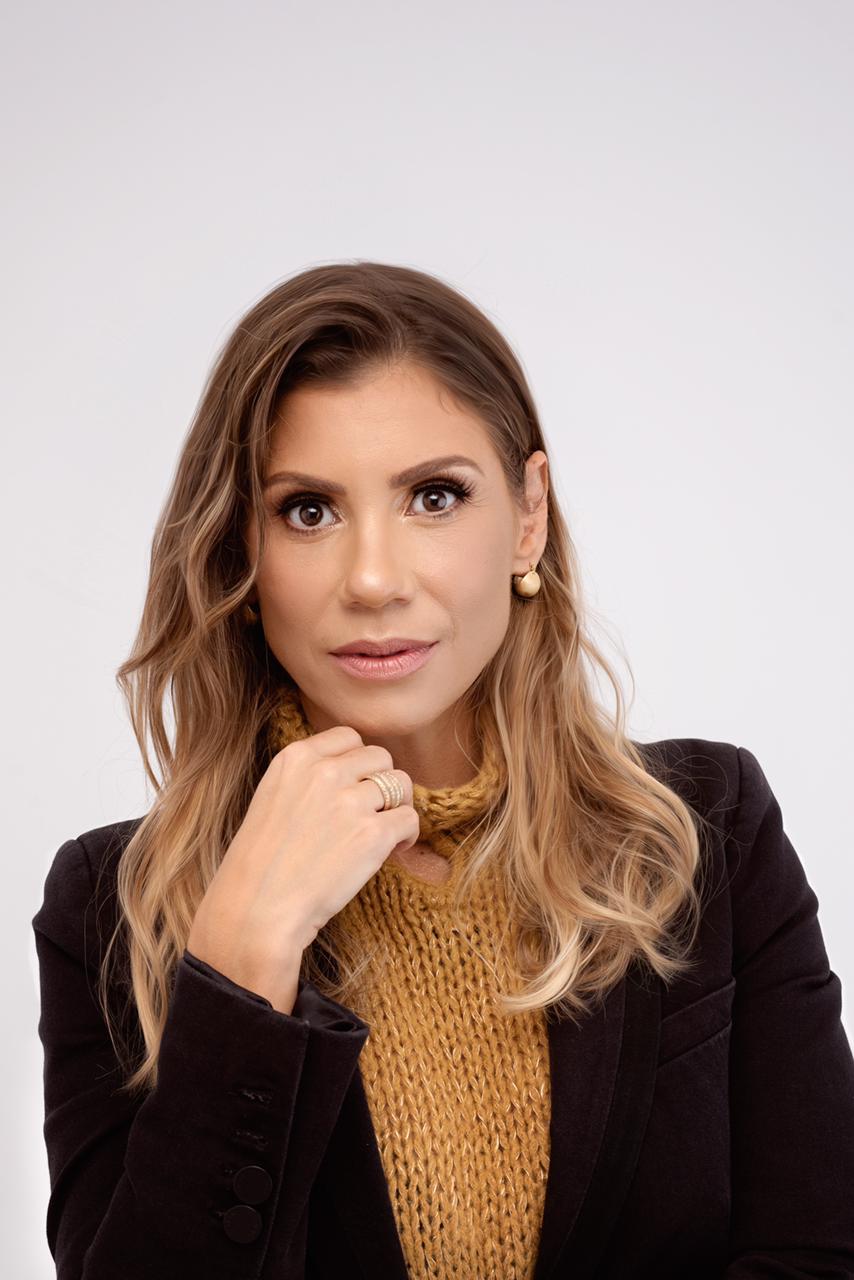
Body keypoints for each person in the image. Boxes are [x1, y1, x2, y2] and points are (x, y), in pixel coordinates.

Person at [32, 261, 854, 1280]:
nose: (374, 579)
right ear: (240, 551)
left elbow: (817, 1255)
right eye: (307, 510)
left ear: (526, 514)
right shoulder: (113, 908)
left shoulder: (707, 831)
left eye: (433, 496)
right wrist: (240, 967)